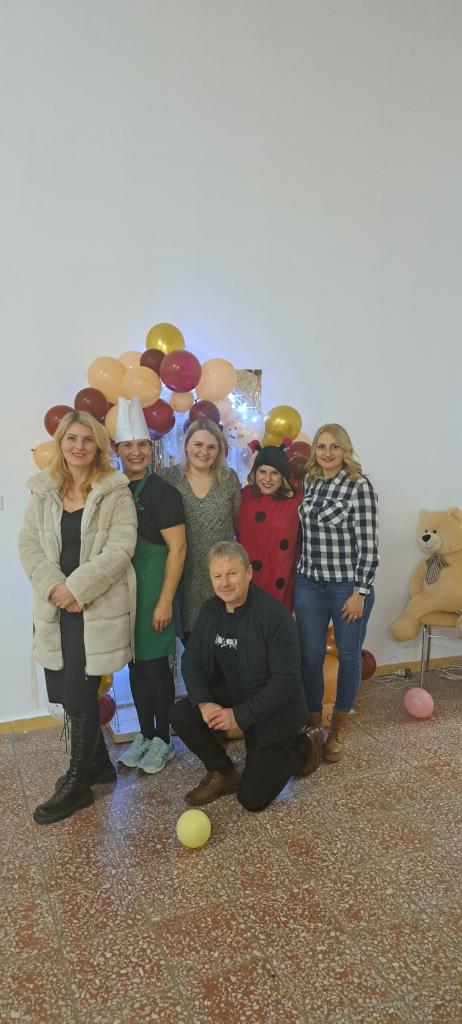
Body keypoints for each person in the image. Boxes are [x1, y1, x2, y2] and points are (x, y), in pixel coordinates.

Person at [19, 411, 137, 824]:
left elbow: (121, 547)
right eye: (72, 438)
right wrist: (56, 588)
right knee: (65, 691)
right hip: (56, 606)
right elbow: (28, 545)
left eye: (87, 439)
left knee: (82, 692)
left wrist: (78, 589)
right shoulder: (42, 490)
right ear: (61, 442)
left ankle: (78, 784)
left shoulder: (114, 490)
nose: (79, 446)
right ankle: (100, 766)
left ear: (98, 445)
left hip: (94, 607)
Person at [169, 541, 322, 812]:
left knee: (252, 799)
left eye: (232, 573)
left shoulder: (275, 616)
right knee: (181, 713)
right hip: (235, 695)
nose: (224, 583)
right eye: (217, 576)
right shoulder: (210, 611)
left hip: (276, 709)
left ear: (249, 573)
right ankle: (223, 771)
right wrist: (205, 703)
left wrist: (238, 716)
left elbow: (284, 682)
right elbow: (191, 661)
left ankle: (304, 746)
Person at [294, 423, 378, 762]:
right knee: (310, 656)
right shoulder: (310, 481)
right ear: (314, 450)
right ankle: (313, 721)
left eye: (334, 447)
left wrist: (360, 592)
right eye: (321, 446)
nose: (327, 453)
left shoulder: (359, 486)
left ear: (345, 450)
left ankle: (340, 725)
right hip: (309, 582)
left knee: (348, 654)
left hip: (346, 585)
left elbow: (369, 546)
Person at [114, 398, 187, 774]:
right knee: (135, 669)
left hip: (153, 594)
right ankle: (144, 734)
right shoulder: (113, 491)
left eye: (142, 444)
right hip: (123, 596)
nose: (136, 452)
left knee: (157, 670)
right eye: (128, 445)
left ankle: (164, 740)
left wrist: (165, 601)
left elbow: (178, 549)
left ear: (151, 448)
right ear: (118, 450)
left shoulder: (162, 493)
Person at [160, 418, 241, 640]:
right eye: (198, 444)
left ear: (219, 450)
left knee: (222, 641)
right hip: (183, 572)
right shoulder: (169, 478)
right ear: (186, 445)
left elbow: (238, 522)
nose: (204, 452)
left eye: (211, 447)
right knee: (191, 642)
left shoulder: (229, 479)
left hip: (221, 574)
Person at [236, 442, 301, 611]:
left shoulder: (296, 501)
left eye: (275, 473)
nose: (267, 479)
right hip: (247, 578)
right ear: (254, 472)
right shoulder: (244, 495)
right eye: (262, 472)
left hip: (280, 581)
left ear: (283, 476)